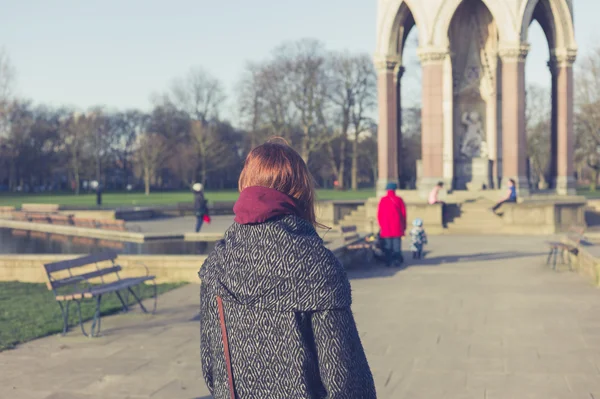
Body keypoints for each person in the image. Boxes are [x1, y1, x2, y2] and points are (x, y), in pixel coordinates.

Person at [198, 140, 376, 399]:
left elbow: (211, 370)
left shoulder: (218, 262)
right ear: (301, 190)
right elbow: (348, 384)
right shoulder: (316, 265)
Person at [377, 182, 407, 267]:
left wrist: (381, 225)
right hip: (397, 226)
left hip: (386, 227)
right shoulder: (399, 200)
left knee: (387, 245)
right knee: (396, 245)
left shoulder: (383, 200)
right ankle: (397, 260)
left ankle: (388, 261)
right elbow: (403, 214)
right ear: (395, 189)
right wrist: (404, 226)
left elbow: (379, 214)